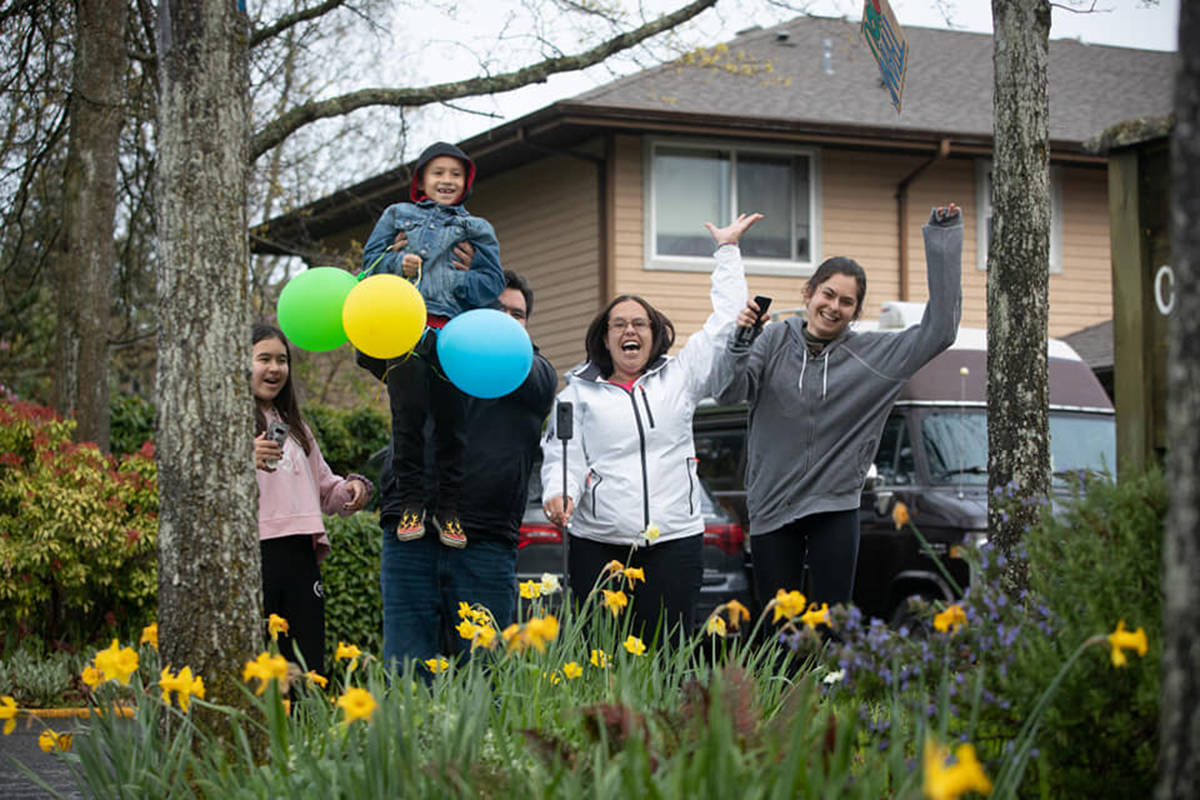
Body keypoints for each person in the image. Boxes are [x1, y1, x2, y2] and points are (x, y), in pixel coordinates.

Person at [711, 204, 963, 614]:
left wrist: (944, 238)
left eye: (847, 302)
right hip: (773, 505)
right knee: (781, 627)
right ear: (808, 293)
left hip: (835, 505)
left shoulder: (876, 357)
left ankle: (828, 680)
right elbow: (727, 392)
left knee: (831, 621)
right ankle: (783, 683)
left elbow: (941, 330)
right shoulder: (772, 340)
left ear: (855, 312)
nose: (834, 306)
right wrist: (741, 341)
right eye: (828, 294)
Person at [541, 214, 759, 643]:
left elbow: (723, 327)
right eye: (618, 324)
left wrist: (728, 251)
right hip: (599, 544)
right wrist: (559, 492)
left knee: (666, 649)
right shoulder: (576, 395)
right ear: (604, 339)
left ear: (655, 334)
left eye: (639, 323)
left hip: (674, 541)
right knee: (601, 652)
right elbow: (563, 456)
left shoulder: (680, 377)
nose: (629, 330)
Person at [379, 269, 556, 669]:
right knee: (407, 668)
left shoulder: (537, 371)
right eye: (496, 310)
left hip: (486, 539)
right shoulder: (431, 353)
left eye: (517, 314)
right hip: (412, 532)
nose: (507, 321)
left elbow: (533, 380)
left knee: (485, 672)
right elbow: (376, 350)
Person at [358, 141, 504, 549]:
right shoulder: (396, 216)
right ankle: (410, 503)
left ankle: (450, 509)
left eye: (456, 174)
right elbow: (367, 267)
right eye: (438, 172)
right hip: (404, 328)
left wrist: (461, 278)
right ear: (421, 178)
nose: (446, 181)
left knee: (452, 422)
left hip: (453, 334)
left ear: (466, 183)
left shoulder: (478, 229)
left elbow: (492, 285)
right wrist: (395, 264)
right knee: (407, 417)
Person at [252, 323, 372, 675]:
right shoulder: (226, 423)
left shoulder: (296, 427)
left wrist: (351, 490)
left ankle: (304, 729)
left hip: (302, 554)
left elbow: (325, 488)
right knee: (259, 664)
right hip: (255, 552)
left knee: (307, 663)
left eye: (282, 360)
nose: (275, 368)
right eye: (264, 359)